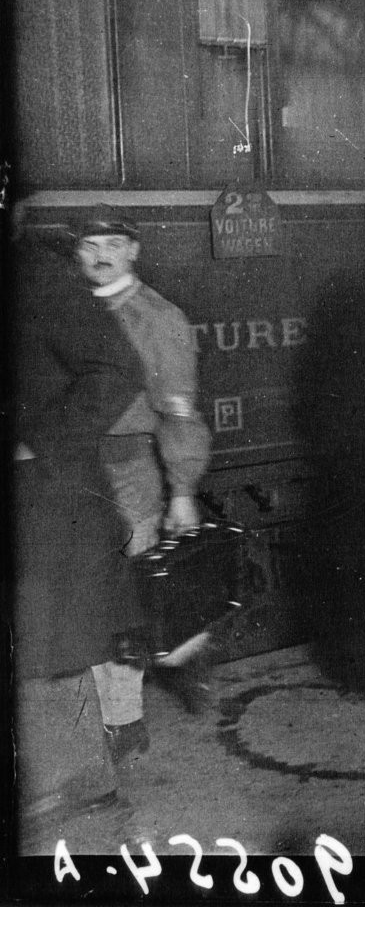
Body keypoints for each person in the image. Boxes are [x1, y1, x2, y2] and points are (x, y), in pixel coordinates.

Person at [73, 210, 216, 766]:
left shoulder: (157, 318)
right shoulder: (76, 311)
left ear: (133, 251)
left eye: (113, 244)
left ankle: (127, 721)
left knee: (128, 593)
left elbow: (178, 412)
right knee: (91, 594)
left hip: (130, 464)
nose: (101, 254)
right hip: (77, 465)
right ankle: (120, 712)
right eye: (90, 245)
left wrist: (182, 487)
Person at [13, 235, 145, 822]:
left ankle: (76, 779)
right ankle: (76, 775)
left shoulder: (36, 274)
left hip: (44, 491)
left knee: (45, 632)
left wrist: (37, 441)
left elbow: (118, 371)